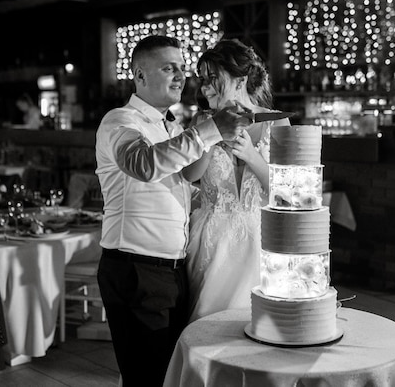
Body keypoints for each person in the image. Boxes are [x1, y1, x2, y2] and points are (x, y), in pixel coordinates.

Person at [95, 35, 248, 387]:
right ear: (140, 75)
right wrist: (209, 131)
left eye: (181, 68)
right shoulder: (120, 121)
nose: (181, 76)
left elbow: (186, 181)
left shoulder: (174, 128)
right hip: (135, 267)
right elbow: (144, 164)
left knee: (170, 376)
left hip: (173, 270)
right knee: (147, 377)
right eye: (168, 68)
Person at [182, 39, 290, 322]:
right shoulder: (202, 122)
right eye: (202, 80)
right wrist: (212, 132)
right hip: (212, 244)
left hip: (262, 244)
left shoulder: (276, 123)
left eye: (213, 78)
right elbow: (190, 174)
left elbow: (287, 192)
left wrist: (253, 157)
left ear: (240, 79)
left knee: (260, 326)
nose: (205, 88)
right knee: (205, 324)